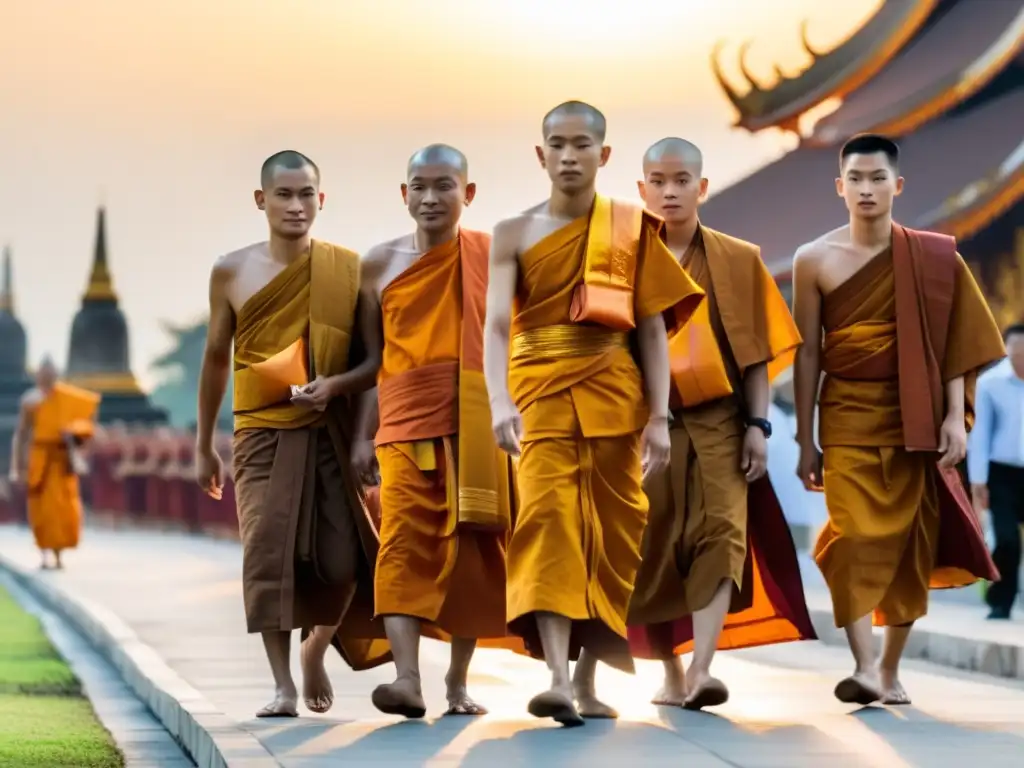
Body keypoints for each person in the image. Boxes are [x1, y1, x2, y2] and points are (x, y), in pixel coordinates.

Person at [574, 137, 816, 712]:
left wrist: (758, 423)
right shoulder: (616, 257)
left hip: (719, 420)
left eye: (681, 180)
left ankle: (703, 670)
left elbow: (756, 354)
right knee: (636, 549)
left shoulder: (737, 258)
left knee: (722, 538)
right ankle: (641, 671)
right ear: (640, 189)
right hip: (636, 425)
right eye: (657, 181)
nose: (669, 191)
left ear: (701, 186)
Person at [483, 101, 704, 726]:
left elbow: (654, 331)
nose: (570, 155)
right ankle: (554, 674)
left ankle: (584, 680)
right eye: (558, 144)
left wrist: (659, 418)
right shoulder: (512, 233)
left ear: (604, 155)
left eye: (583, 145)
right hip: (540, 393)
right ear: (540, 153)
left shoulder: (630, 227)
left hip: (616, 392)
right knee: (548, 521)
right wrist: (499, 398)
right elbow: (497, 324)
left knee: (612, 534)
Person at [791, 134, 1004, 707]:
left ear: (897, 185)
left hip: (916, 419)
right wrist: (804, 437)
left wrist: (956, 419)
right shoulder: (813, 260)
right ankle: (863, 665)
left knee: (909, 548)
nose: (866, 189)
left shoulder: (936, 257)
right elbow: (807, 352)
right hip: (845, 417)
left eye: (877, 178)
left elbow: (954, 342)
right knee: (855, 537)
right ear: (840, 187)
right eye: (855, 178)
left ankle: (888, 668)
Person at [195, 150, 389, 719]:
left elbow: (376, 363)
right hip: (260, 433)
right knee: (268, 559)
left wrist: (348, 414)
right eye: (284, 194)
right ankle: (282, 685)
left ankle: (316, 648)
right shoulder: (231, 271)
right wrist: (204, 443)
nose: (296, 205)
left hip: (329, 427)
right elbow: (214, 358)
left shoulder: (348, 270)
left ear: (321, 200)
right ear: (262, 201)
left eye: (307, 194)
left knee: (345, 560)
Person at [351, 144, 514, 719]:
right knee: (401, 545)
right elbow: (372, 361)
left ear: (467, 194)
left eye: (444, 186)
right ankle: (407, 679)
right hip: (402, 422)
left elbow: (506, 343)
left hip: (474, 423)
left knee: (472, 547)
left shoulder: (491, 257)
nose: (430, 198)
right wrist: (358, 438)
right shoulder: (377, 264)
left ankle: (458, 683)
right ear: (403, 194)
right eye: (418, 186)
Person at [9, 357, 100, 570]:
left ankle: (59, 555)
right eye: (43, 373)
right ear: (37, 375)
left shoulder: (67, 398)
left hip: (62, 459)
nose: (47, 377)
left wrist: (74, 431)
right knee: (41, 509)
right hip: (40, 458)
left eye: (51, 373)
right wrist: (16, 465)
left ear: (56, 375)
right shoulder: (30, 401)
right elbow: (21, 434)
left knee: (62, 508)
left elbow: (89, 418)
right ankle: (44, 554)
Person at [968, 324, 1024, 619]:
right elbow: (980, 435)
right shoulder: (990, 384)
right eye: (1015, 351)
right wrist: (979, 482)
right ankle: (1000, 602)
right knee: (1006, 539)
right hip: (1001, 474)